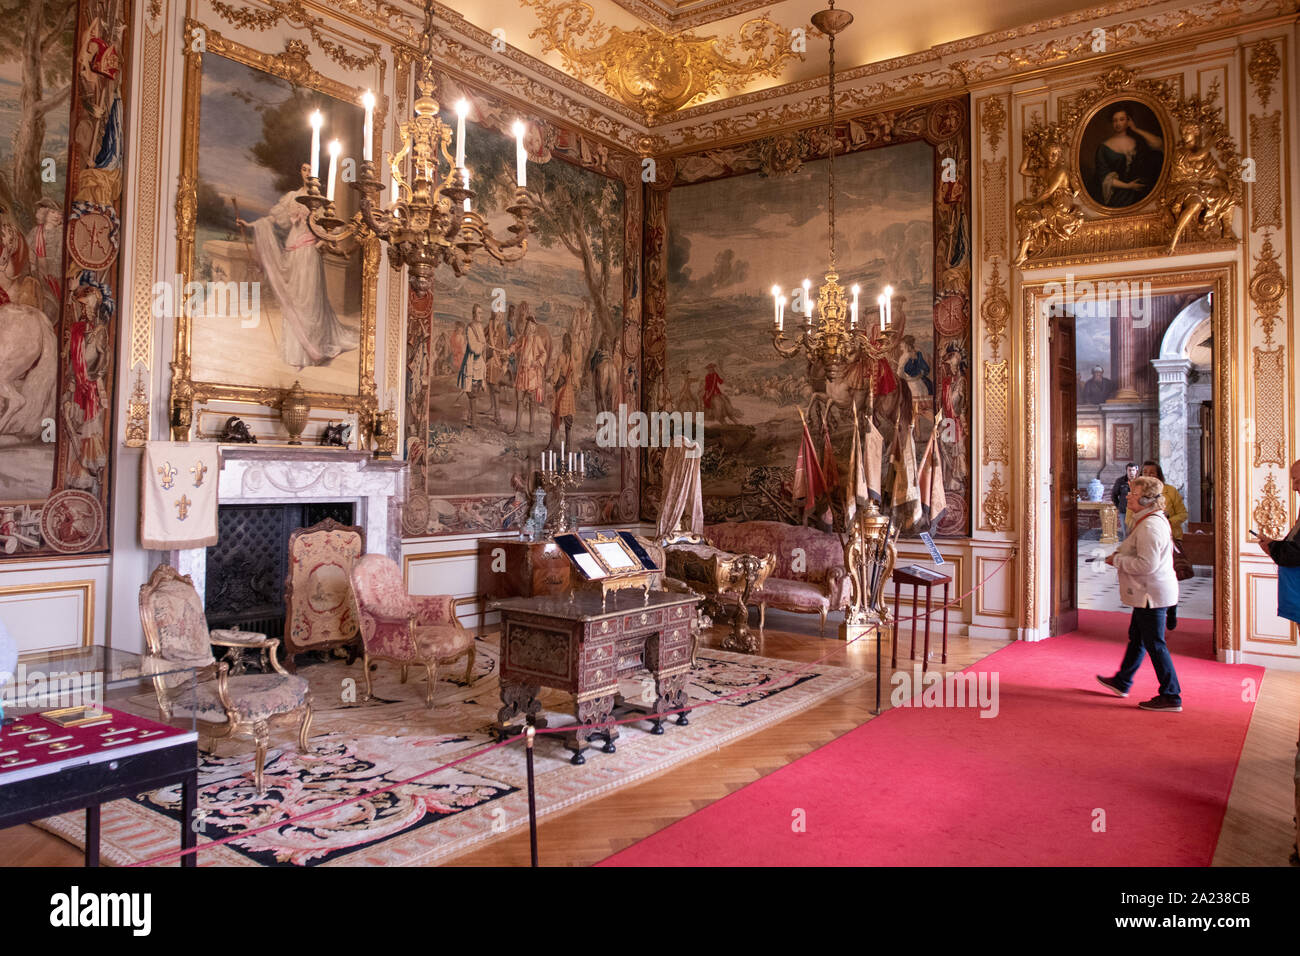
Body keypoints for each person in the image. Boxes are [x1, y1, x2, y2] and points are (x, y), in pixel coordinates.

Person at [237, 163, 359, 369]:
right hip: (292, 253)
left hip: (309, 254)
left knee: (308, 301)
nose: (307, 173)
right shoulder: (293, 196)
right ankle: (295, 353)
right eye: (304, 169)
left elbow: (331, 230)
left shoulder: (321, 203)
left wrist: (320, 244)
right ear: (300, 173)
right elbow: (273, 219)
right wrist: (249, 225)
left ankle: (312, 351)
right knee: (294, 300)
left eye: (311, 170)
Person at [1096, 475, 1183, 712]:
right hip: (1149, 592)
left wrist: (1118, 560)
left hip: (1151, 594)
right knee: (1138, 637)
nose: (1128, 496)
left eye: (1133, 494)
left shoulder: (1151, 526)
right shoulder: (1147, 520)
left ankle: (1171, 694)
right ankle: (1123, 680)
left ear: (1146, 499)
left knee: (1155, 644)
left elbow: (1147, 565)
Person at [1124, 460, 1187, 628]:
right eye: (1145, 472)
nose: (1149, 475)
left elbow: (1182, 514)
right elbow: (1129, 519)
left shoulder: (1170, 492)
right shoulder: (1136, 495)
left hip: (1170, 538)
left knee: (1166, 576)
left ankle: (1170, 609)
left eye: (1152, 473)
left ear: (1159, 475)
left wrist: (1166, 522)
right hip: (1144, 540)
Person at [1092, 108, 1164, 208]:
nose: (1118, 123)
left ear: (1128, 121)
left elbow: (1158, 144)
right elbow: (1104, 178)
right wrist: (1128, 186)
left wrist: (1136, 129)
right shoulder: (1104, 147)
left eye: (1122, 119)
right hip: (1120, 194)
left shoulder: (1137, 140)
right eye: (1115, 120)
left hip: (1144, 192)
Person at [1111, 462, 1138, 536]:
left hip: (1137, 511)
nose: (1131, 472)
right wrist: (1119, 506)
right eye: (1129, 470)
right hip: (1124, 511)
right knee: (1126, 533)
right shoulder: (1120, 481)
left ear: (1136, 471)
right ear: (1126, 471)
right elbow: (1114, 495)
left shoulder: (1140, 482)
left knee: (1137, 533)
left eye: (1133, 470)